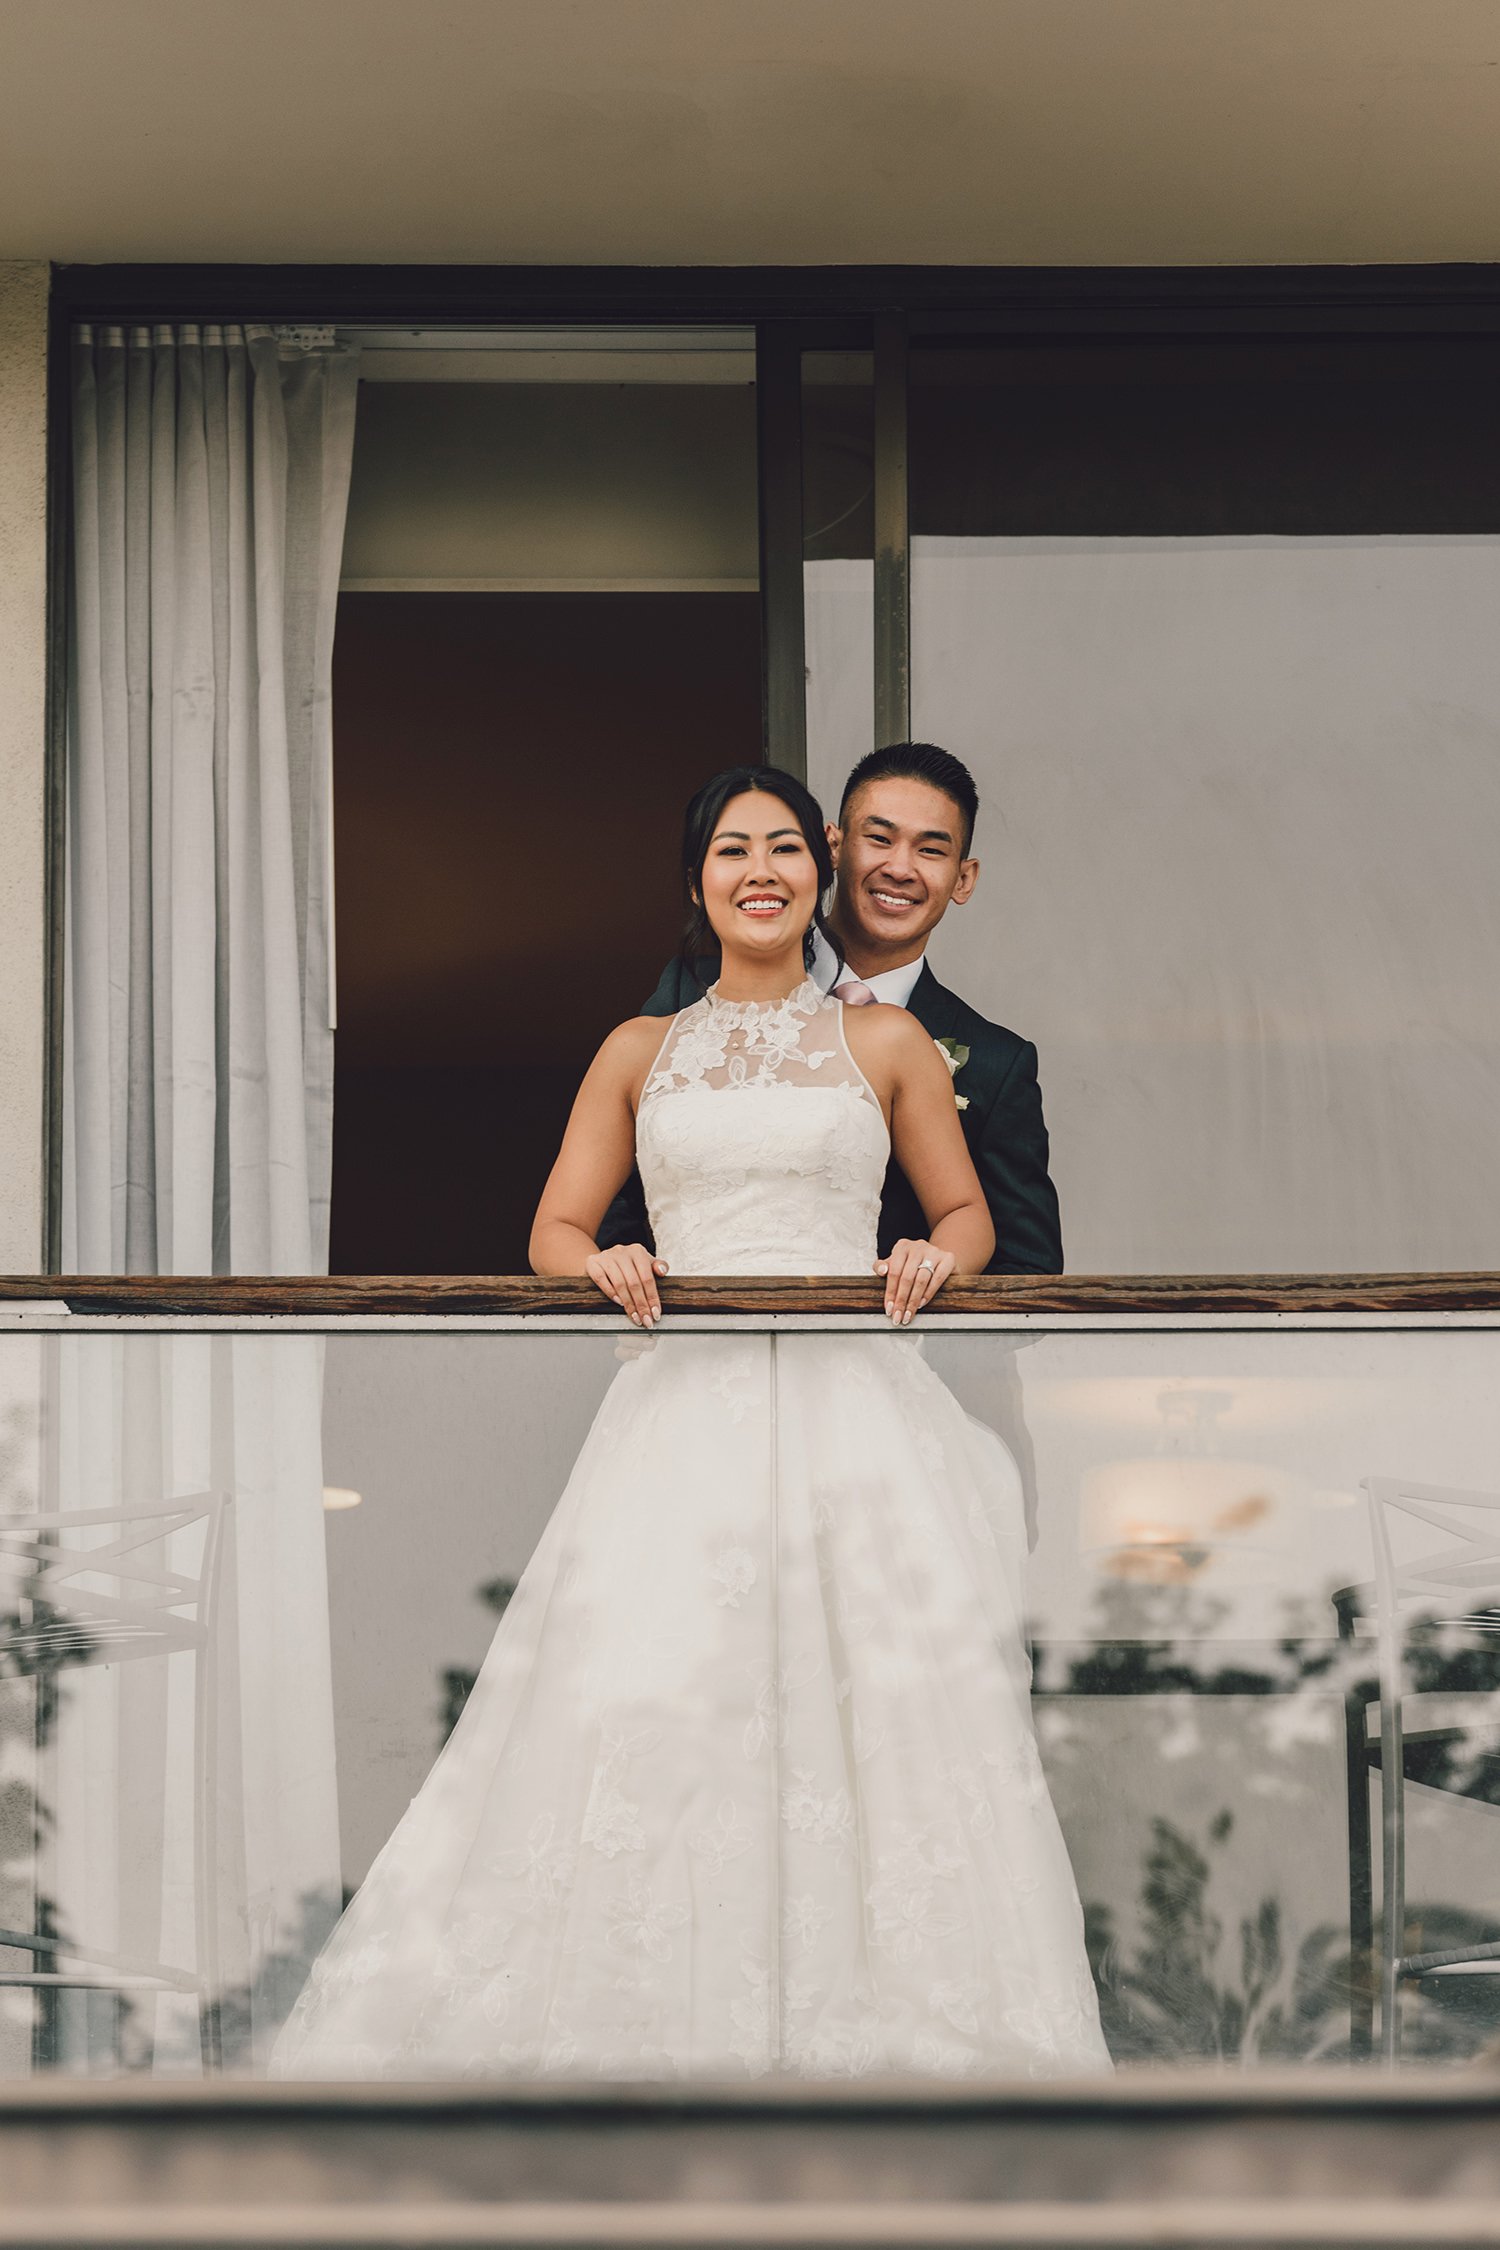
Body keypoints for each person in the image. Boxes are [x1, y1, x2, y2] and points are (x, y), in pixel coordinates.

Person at [271, 765, 1107, 2082]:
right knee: (653, 1700)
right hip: (680, 1421)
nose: (761, 868)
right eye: (734, 849)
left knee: (880, 1716)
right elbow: (554, 1225)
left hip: (854, 1413)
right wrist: (600, 1263)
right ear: (699, 879)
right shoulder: (636, 1047)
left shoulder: (885, 1044)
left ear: (817, 876)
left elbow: (971, 1217)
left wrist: (932, 1260)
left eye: (784, 847)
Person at [599, 741, 1064, 1276]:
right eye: (879, 838)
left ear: (964, 878)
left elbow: (1027, 1270)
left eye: (931, 850)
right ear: (833, 848)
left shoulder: (997, 1063)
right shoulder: (686, 996)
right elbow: (620, 1196)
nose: (900, 867)